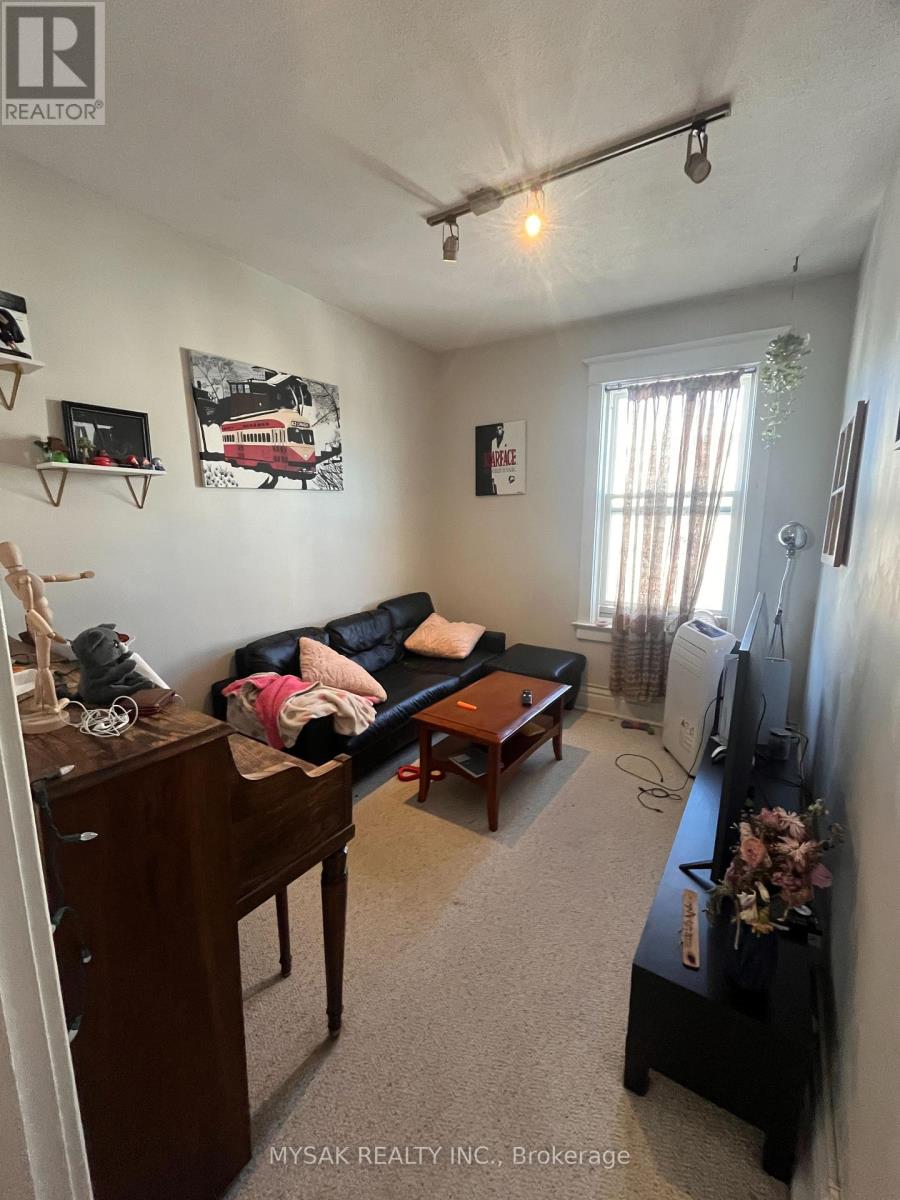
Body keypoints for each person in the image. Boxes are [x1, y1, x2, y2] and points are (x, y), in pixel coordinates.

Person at [0, 541, 94, 733]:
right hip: (40, 622)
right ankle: (48, 704)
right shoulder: (22, 578)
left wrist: (80, 575)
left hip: (41, 621)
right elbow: (30, 609)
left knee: (43, 665)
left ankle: (45, 703)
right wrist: (49, 631)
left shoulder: (22, 577)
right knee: (43, 666)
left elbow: (52, 580)